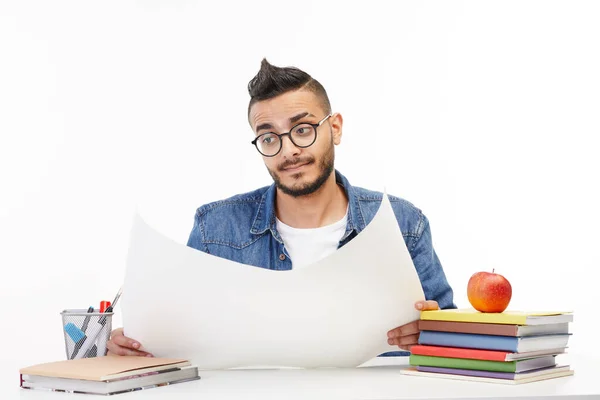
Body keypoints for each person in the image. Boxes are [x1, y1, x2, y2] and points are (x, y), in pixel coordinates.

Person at [107, 59, 456, 358]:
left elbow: (454, 339)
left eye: (302, 130)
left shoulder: (402, 223)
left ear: (334, 128)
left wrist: (436, 335)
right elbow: (177, 338)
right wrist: (135, 343)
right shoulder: (215, 229)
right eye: (269, 137)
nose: (288, 151)